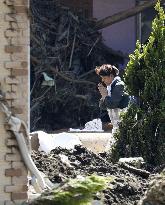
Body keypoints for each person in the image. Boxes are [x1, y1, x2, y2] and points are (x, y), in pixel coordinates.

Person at [95, 64, 129, 133]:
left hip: (124, 123)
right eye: (102, 78)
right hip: (117, 124)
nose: (102, 80)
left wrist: (105, 95)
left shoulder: (119, 85)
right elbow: (103, 106)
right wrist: (103, 95)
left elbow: (112, 105)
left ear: (111, 76)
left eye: (104, 78)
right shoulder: (110, 86)